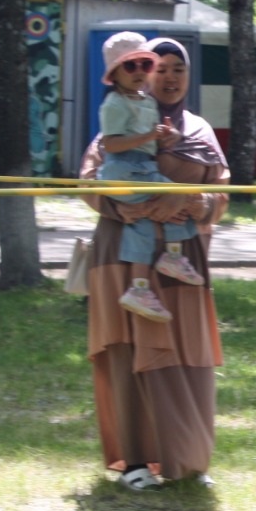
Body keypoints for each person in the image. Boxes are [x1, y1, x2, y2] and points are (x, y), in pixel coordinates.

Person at [78, 37, 228, 490]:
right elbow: (88, 181)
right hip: (123, 257)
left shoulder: (201, 131)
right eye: (159, 67)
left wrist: (197, 203)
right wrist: (119, 207)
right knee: (128, 352)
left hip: (182, 261)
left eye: (178, 68)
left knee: (186, 352)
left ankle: (186, 458)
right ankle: (136, 461)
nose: (167, 76)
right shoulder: (120, 119)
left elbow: (222, 192)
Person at [97, 31, 203, 323]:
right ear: (115, 73)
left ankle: (146, 281)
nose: (140, 72)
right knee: (171, 197)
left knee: (150, 219)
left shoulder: (149, 105)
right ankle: (163, 264)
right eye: (130, 66)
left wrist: (170, 137)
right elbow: (106, 152)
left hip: (144, 171)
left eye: (146, 65)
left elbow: (220, 193)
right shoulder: (116, 106)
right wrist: (119, 208)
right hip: (124, 180)